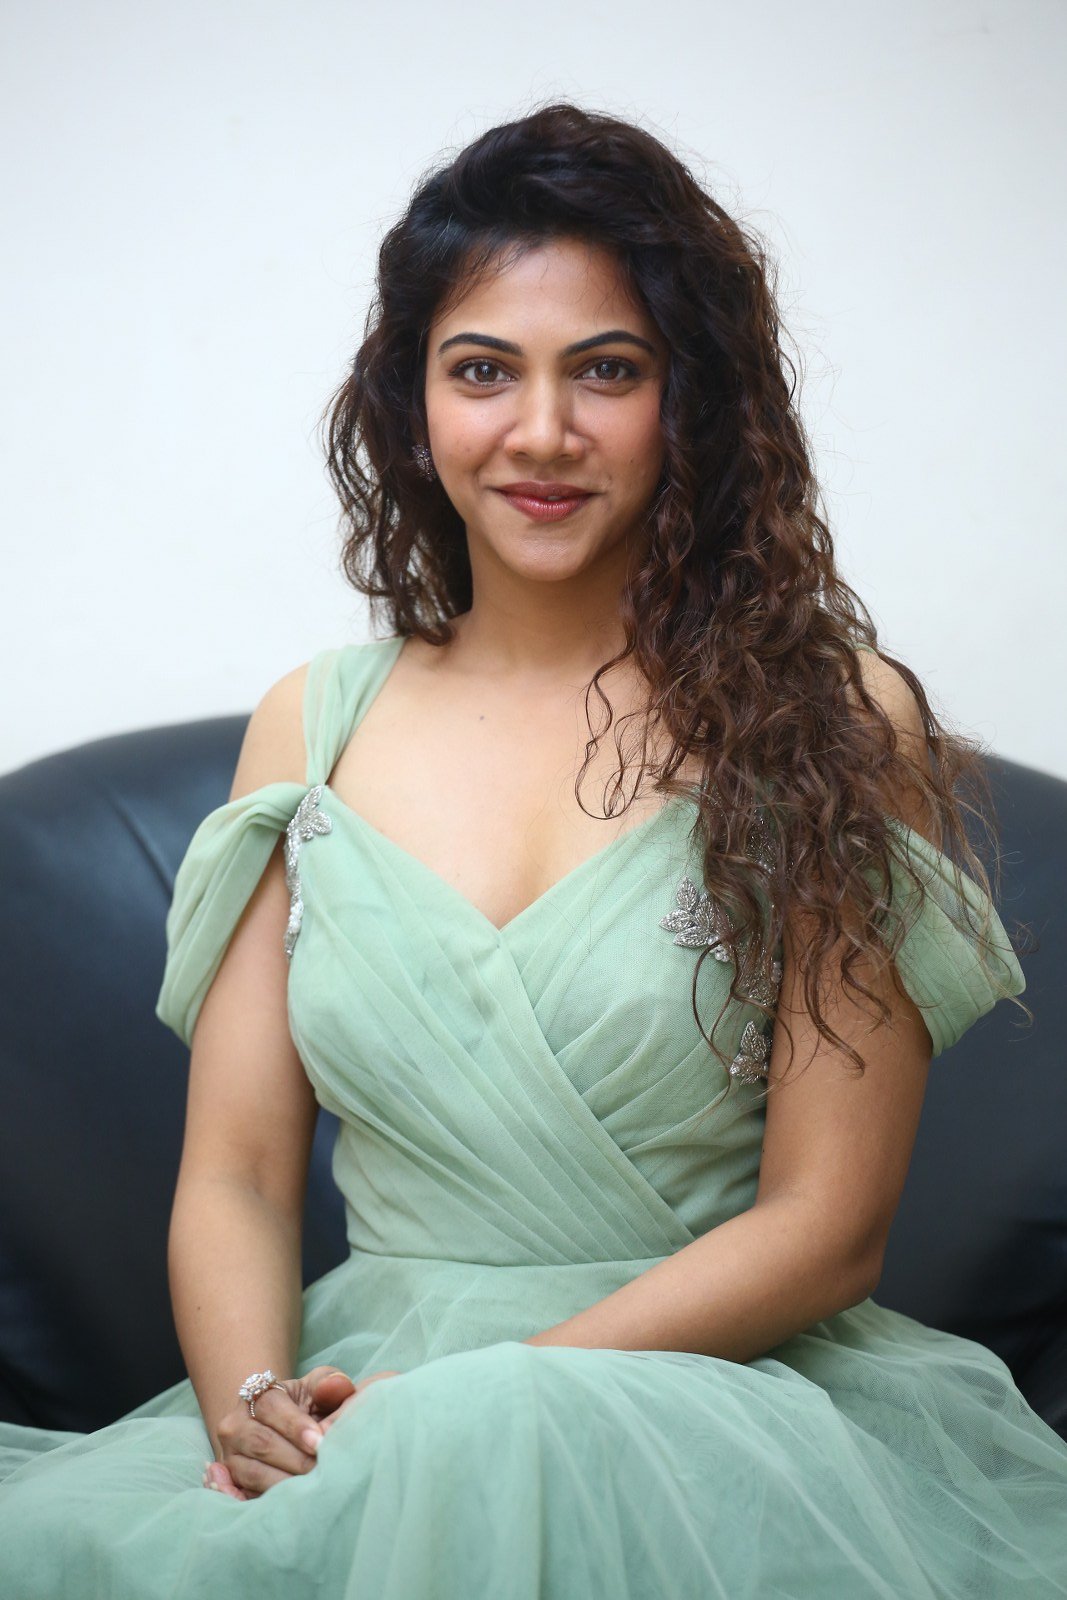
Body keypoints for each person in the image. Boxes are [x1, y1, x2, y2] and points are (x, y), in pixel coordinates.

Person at [1, 100, 1065, 1599]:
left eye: (608, 370)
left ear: (694, 399)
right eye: (483, 369)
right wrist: (253, 1410)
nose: (543, 431)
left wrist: (480, 1409)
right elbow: (235, 1171)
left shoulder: (833, 718)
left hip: (712, 1405)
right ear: (413, 403)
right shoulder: (312, 724)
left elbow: (829, 1228)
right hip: (352, 1401)